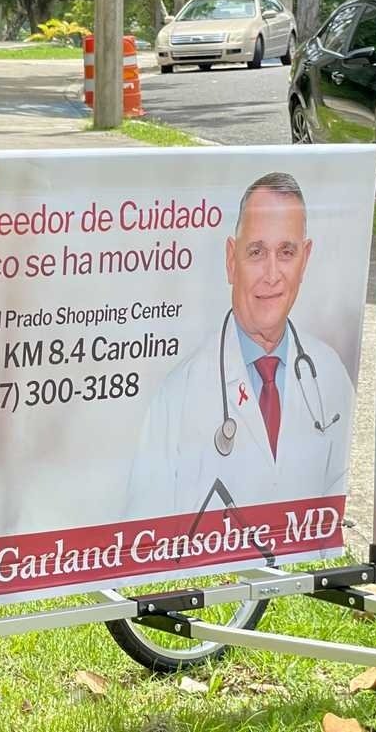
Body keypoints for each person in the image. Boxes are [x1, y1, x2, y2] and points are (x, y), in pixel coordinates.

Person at [123, 171, 353, 523]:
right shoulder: (178, 394)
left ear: (305, 259)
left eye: (287, 252)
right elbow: (143, 538)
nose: (272, 275)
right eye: (257, 252)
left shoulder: (329, 373)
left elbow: (331, 522)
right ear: (232, 260)